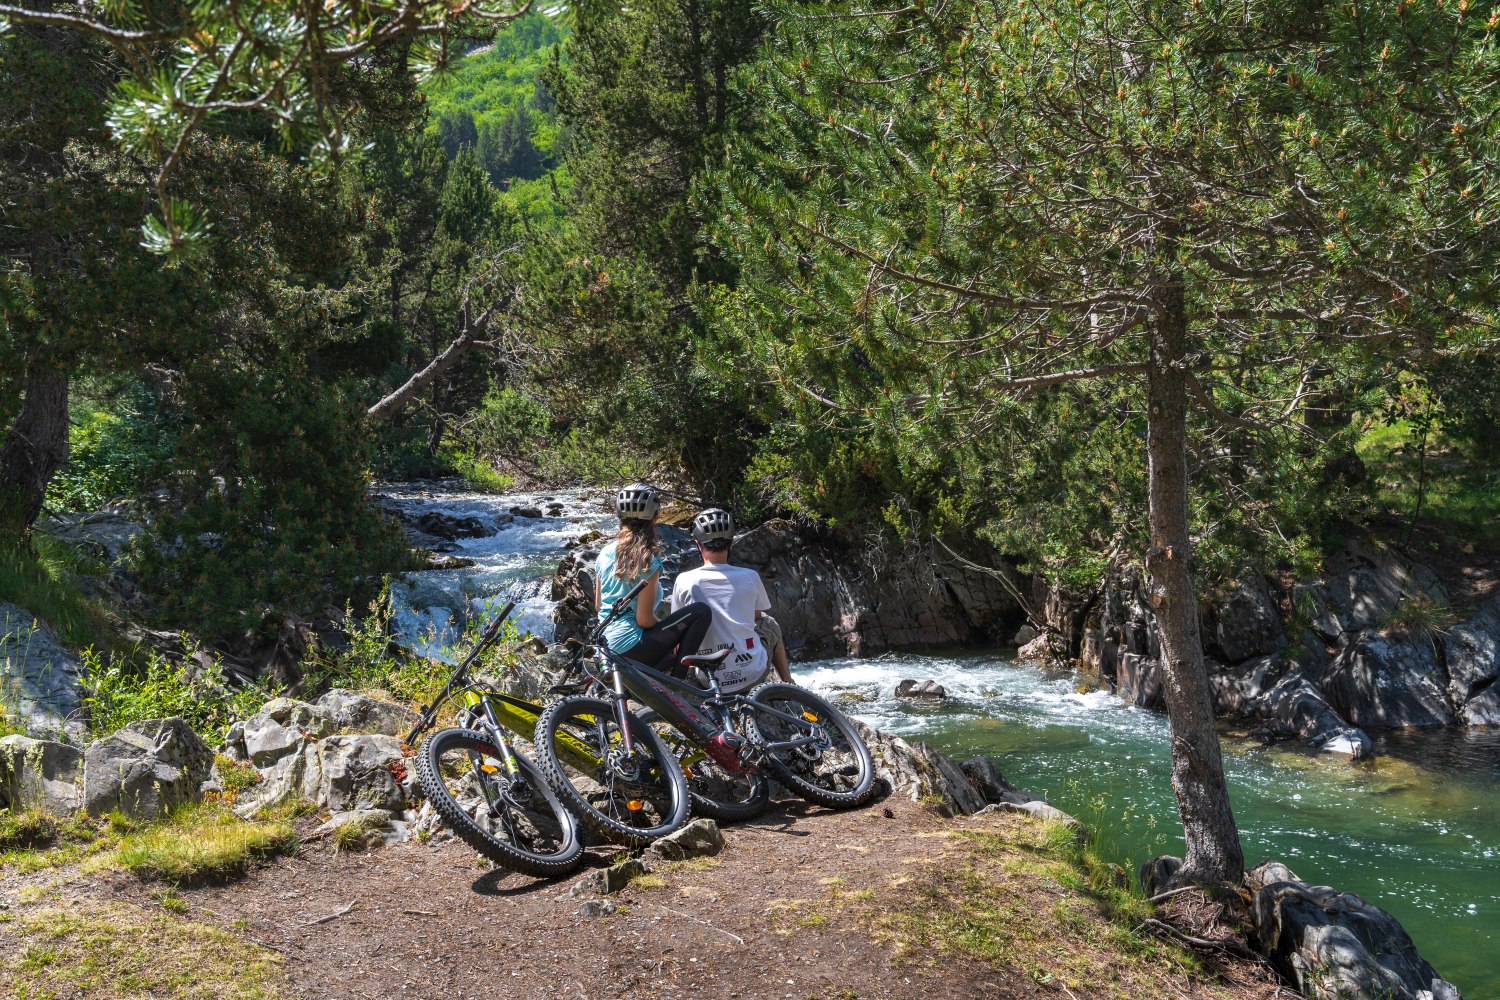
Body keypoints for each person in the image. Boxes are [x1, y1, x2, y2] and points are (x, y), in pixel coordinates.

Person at [670, 507, 793, 693]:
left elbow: (678, 628)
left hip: (709, 678)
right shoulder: (750, 576)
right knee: (769, 622)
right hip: (752, 674)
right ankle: (788, 684)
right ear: (731, 543)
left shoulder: (684, 580)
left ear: (698, 543)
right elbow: (756, 617)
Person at [594, 482, 713, 673]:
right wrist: (670, 634)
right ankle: (679, 680)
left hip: (604, 648)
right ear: (655, 517)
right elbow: (644, 619)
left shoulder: (603, 553)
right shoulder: (648, 559)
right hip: (630, 647)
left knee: (667, 657)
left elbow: (598, 606)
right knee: (701, 611)